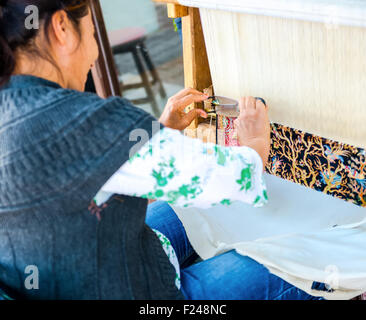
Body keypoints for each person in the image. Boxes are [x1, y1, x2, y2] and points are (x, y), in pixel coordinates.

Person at [0, 0, 322, 300]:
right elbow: (237, 179)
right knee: (313, 264)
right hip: (137, 293)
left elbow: (88, 170)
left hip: (91, 269)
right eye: (94, 34)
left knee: (188, 211)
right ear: (62, 28)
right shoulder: (81, 120)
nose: (95, 53)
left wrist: (160, 134)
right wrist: (254, 144)